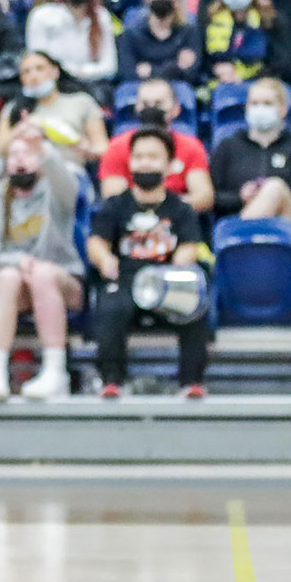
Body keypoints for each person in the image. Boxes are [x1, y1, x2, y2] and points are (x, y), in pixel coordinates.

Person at [87, 127, 208, 399]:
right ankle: (112, 381)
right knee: (109, 309)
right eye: (139, 157)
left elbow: (190, 245)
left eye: (153, 157)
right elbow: (97, 242)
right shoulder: (115, 205)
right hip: (127, 279)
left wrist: (180, 264)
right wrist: (104, 258)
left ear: (170, 165)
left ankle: (191, 382)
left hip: (167, 281)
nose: (145, 163)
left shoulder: (181, 208)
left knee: (195, 309)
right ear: (130, 163)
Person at [0, 126, 85, 402]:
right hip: (18, 286)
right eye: (14, 154)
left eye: (28, 154)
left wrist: (42, 148)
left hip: (64, 280)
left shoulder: (56, 194)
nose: (20, 159)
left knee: (42, 274)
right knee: (5, 277)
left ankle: (55, 372)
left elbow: (66, 182)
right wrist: (19, 261)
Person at [211, 77, 291, 223]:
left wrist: (277, 194)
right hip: (235, 220)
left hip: (286, 223)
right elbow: (213, 197)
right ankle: (246, 235)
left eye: (267, 104)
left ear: (283, 109)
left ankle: (246, 237)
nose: (260, 109)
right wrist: (240, 197)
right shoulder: (228, 146)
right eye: (254, 103)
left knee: (275, 187)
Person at [99, 77, 213, 211]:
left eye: (158, 103)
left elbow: (204, 197)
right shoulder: (117, 147)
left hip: (177, 221)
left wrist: (164, 208)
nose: (152, 108)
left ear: (176, 109)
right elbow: (113, 197)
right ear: (137, 108)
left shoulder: (191, 146)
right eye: (145, 104)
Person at [0, 49, 109, 176]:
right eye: (26, 72)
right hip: (27, 173)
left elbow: (103, 148)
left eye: (39, 68)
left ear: (55, 72)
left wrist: (88, 149)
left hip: (70, 171)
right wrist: (20, 130)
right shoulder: (13, 109)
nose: (33, 76)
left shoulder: (82, 102)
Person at [24, 0, 118, 88]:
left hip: (92, 85)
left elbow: (109, 66)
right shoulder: (41, 16)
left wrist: (81, 72)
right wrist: (67, 73)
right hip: (54, 87)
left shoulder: (102, 17)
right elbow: (37, 62)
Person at [200, 0, 291, 91]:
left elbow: (284, 63)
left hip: (263, 84)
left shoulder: (271, 21)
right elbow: (203, 59)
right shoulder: (210, 21)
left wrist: (245, 77)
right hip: (221, 85)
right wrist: (217, 70)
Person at [117, 0, 200, 83]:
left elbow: (192, 74)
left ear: (178, 0)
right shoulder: (131, 34)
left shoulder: (189, 32)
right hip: (138, 87)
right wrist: (175, 67)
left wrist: (151, 71)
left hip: (178, 87)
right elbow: (127, 73)